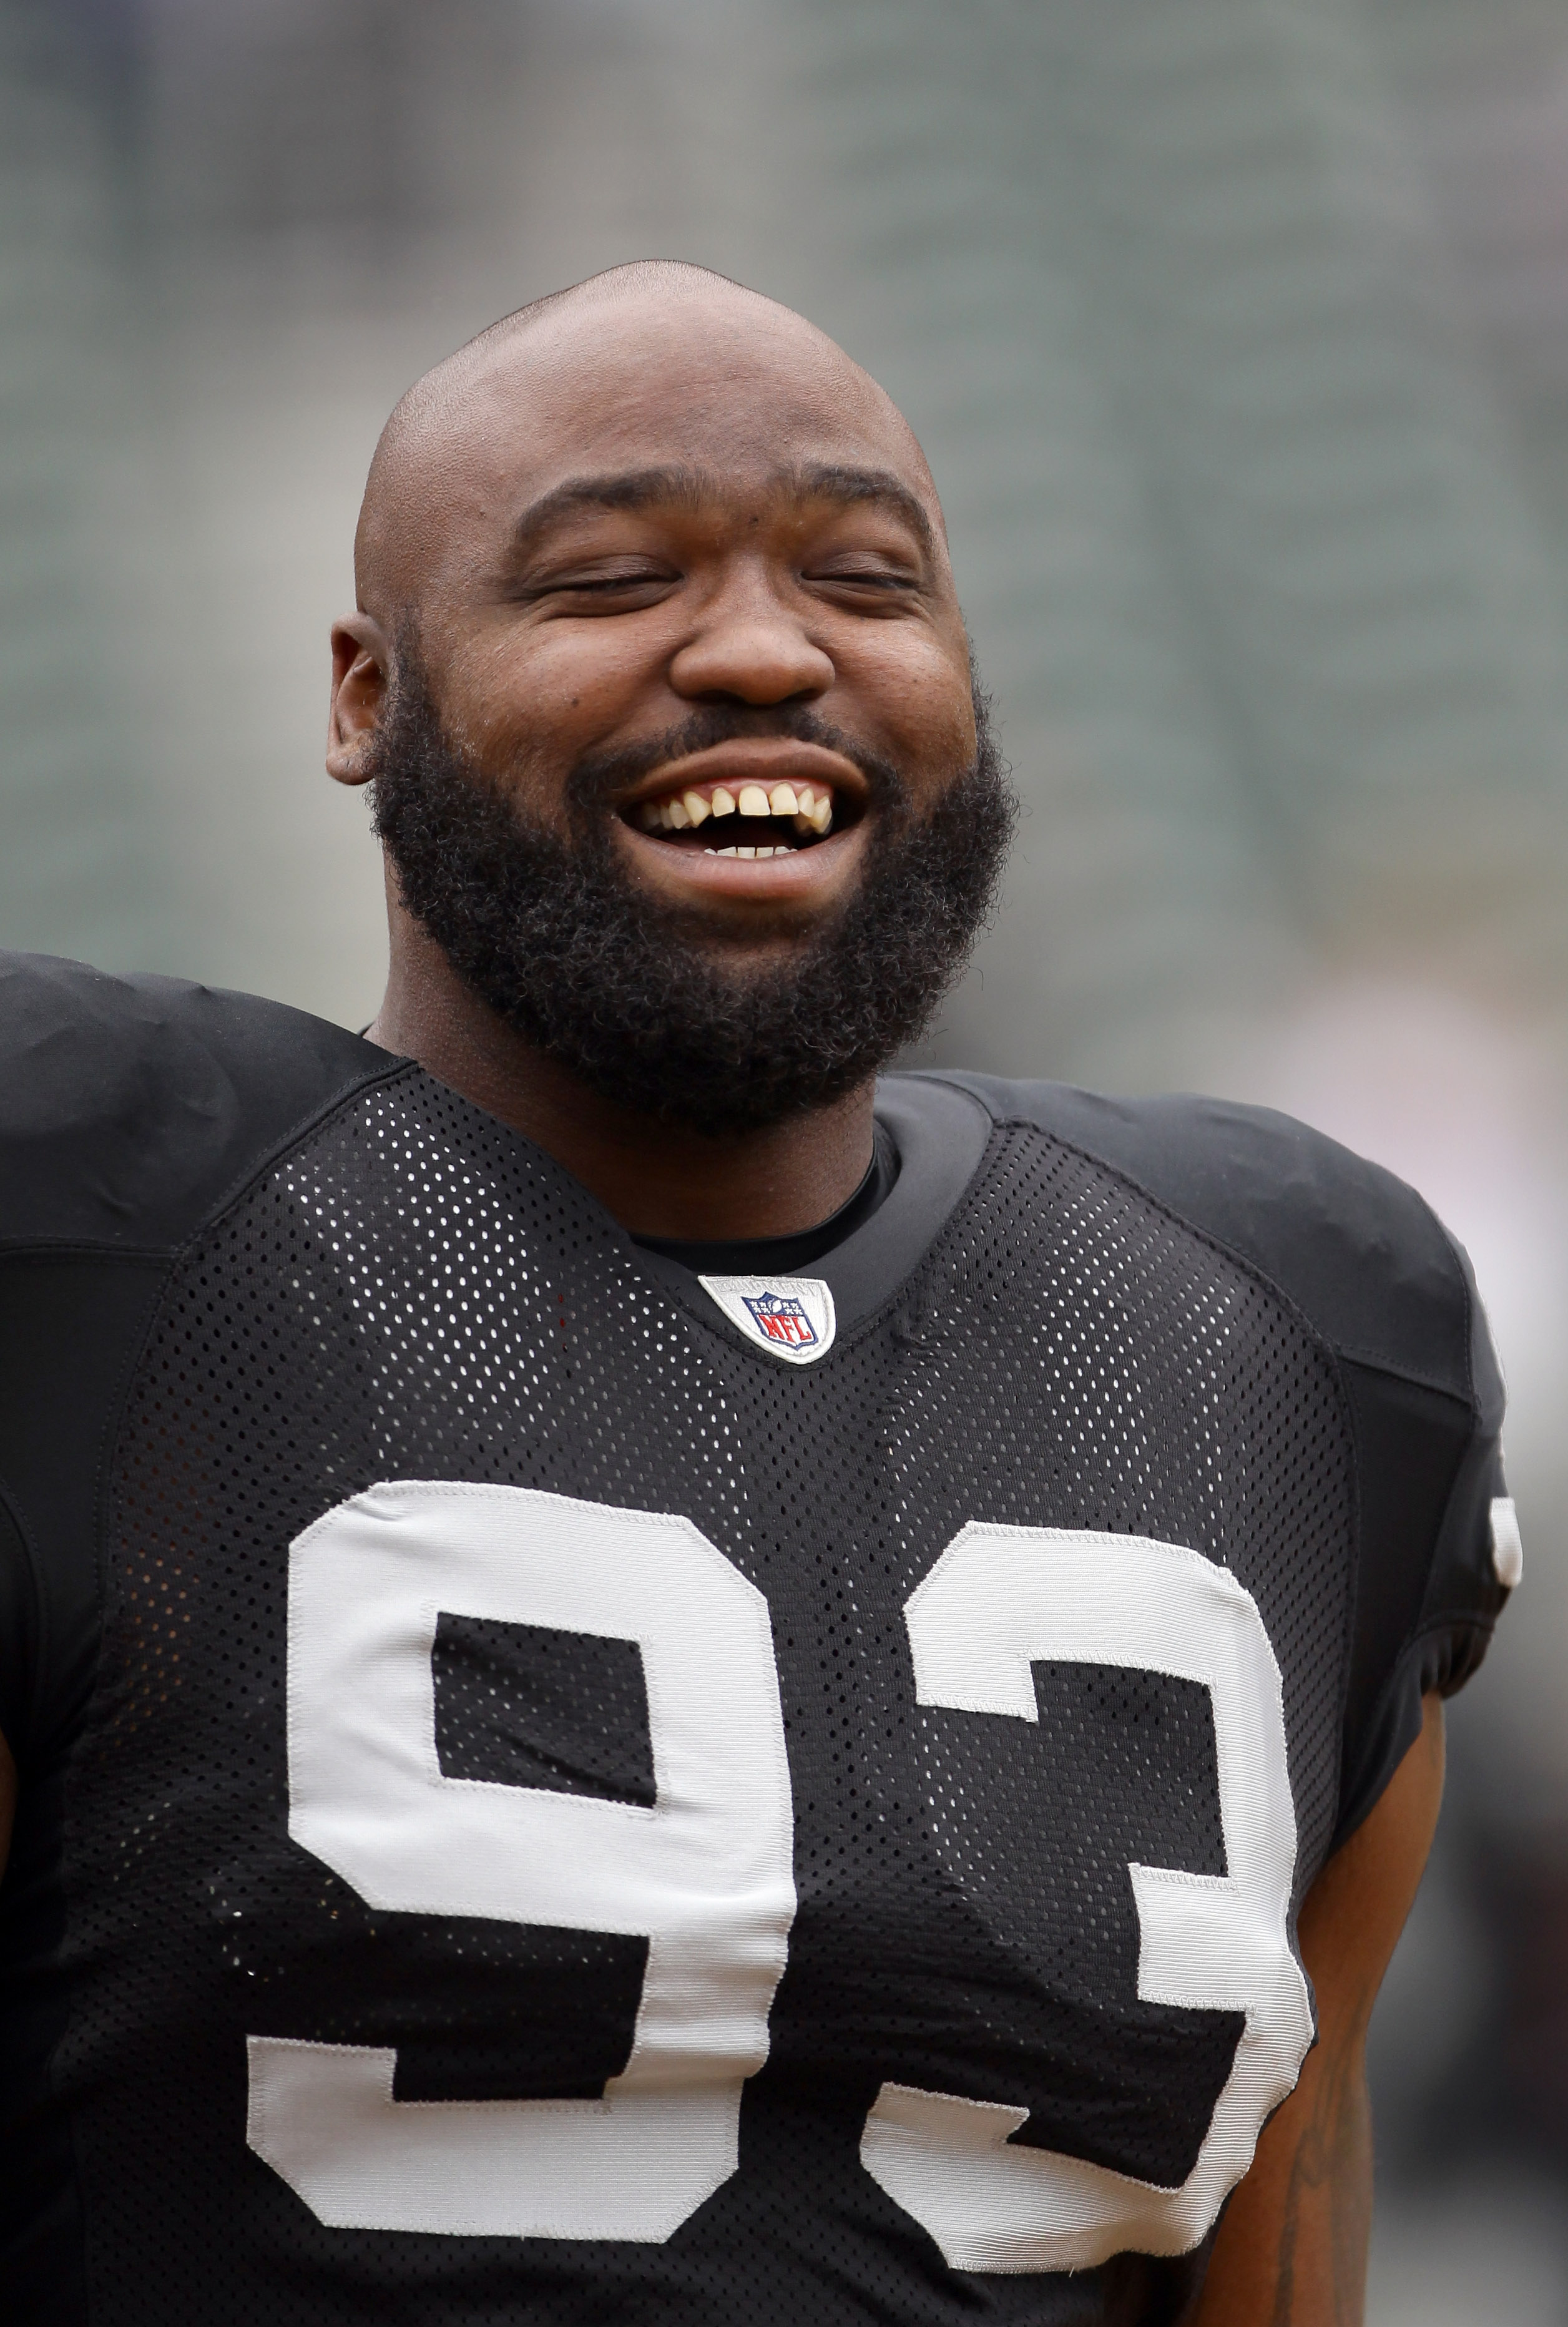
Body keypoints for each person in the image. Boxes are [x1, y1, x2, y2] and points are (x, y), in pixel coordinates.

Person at [0, 262, 1517, 2327]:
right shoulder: (101, 1247)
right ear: (367, 697)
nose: (761, 649)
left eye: (867, 580)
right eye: (612, 578)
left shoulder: (1286, 1338)